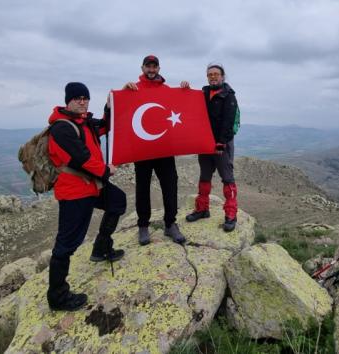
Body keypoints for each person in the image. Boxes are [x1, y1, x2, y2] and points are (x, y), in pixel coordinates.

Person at [46, 82, 127, 312]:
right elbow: (80, 158)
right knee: (66, 244)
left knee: (117, 201)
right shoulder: (61, 128)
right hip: (74, 193)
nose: (82, 101)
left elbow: (105, 126)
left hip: (91, 187)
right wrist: (105, 170)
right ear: (67, 100)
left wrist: (110, 106)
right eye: (77, 98)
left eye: (85, 98)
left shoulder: (84, 122)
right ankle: (58, 297)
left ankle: (101, 248)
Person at [123, 54, 189, 245]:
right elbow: (118, 111)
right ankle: (143, 225)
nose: (151, 70)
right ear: (142, 68)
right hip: (142, 149)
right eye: (148, 66)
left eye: (155, 66)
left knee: (170, 185)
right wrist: (122, 92)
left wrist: (184, 91)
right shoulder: (133, 89)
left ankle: (170, 224)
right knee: (142, 187)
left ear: (159, 69)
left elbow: (183, 108)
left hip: (164, 149)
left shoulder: (167, 90)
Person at [186, 63, 240, 231]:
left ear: (222, 76)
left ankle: (231, 214)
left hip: (221, 145)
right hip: (205, 144)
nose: (213, 77)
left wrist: (221, 143)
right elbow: (189, 107)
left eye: (216, 74)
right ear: (207, 77)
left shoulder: (229, 96)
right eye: (210, 74)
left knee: (227, 178)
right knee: (204, 177)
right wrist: (185, 90)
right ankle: (202, 209)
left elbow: (229, 121)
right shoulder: (203, 94)